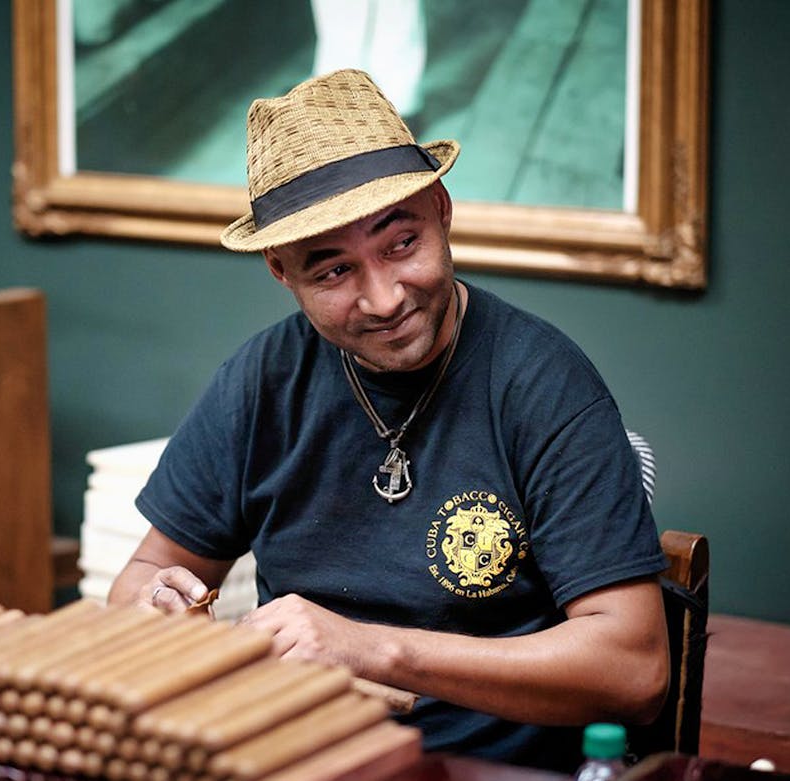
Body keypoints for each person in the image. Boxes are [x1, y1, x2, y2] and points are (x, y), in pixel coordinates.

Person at [107, 68, 668, 770]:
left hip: (487, 767)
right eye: (333, 271)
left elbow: (635, 669)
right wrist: (157, 605)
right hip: (300, 757)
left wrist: (375, 648)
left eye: (400, 244)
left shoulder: (542, 383)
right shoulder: (261, 382)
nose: (383, 299)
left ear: (439, 207)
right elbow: (144, 574)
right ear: (282, 271)